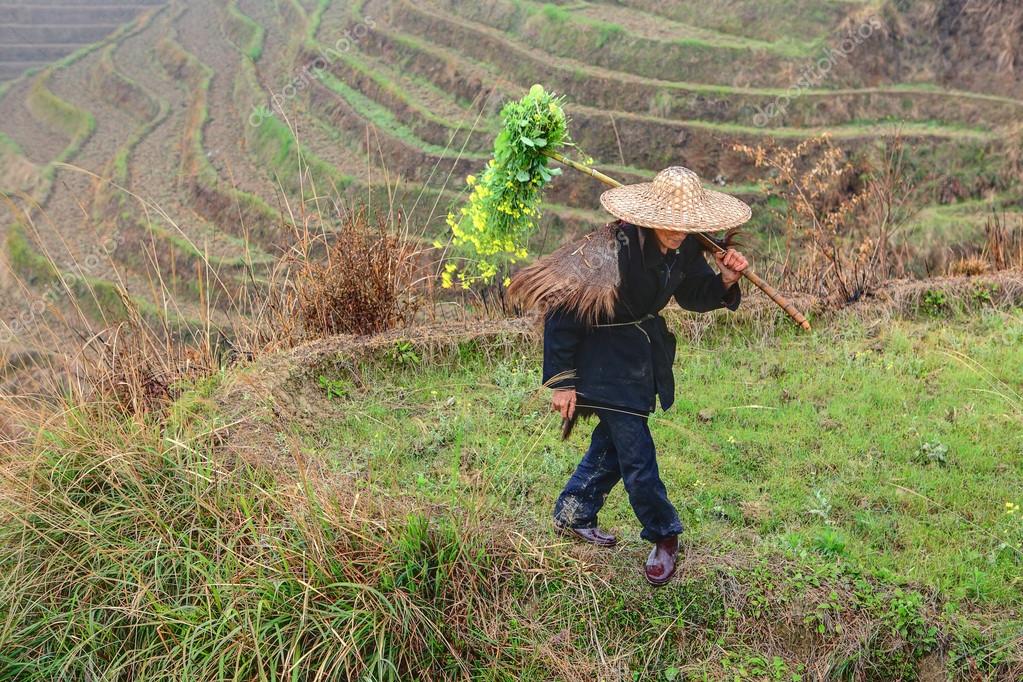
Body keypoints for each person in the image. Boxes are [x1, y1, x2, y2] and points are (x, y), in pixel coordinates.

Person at [508, 166, 751, 586]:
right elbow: (562, 311)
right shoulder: (613, 247)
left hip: (638, 355)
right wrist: (563, 382)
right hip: (601, 356)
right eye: (670, 224)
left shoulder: (686, 246)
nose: (677, 231)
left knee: (616, 443)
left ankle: (574, 511)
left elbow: (692, 295)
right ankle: (663, 533)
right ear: (651, 215)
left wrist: (724, 281)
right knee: (636, 452)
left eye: (685, 224)